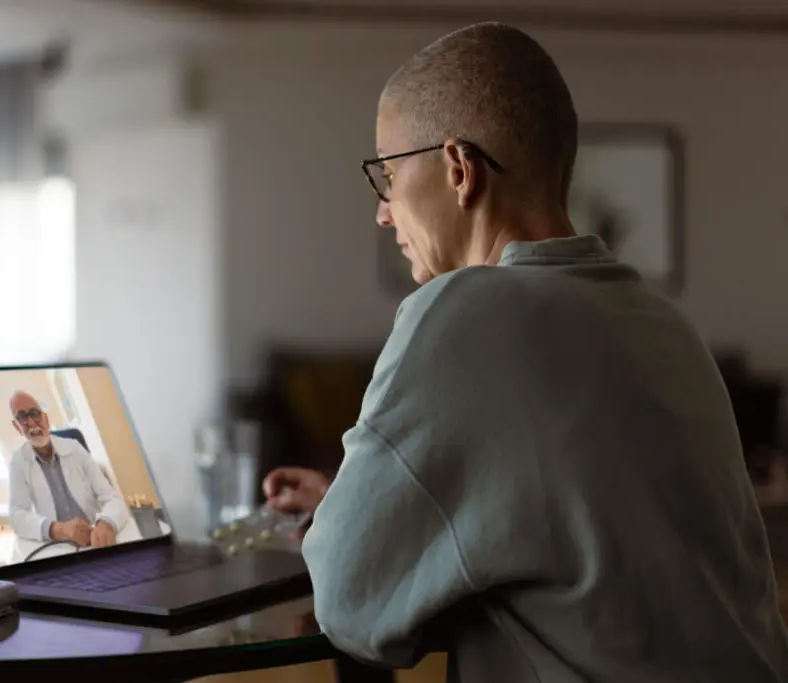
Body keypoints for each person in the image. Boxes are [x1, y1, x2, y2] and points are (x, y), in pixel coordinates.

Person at [264, 22, 788, 683]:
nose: (384, 211)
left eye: (389, 176)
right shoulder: (662, 322)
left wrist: (340, 533)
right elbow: (572, 528)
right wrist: (363, 502)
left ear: (458, 169)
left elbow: (351, 604)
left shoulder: (462, 313)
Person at [7, 390, 129, 551]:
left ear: (46, 419)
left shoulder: (75, 448)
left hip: (95, 537)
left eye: (35, 413)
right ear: (17, 426)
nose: (31, 422)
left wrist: (106, 522)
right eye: (22, 417)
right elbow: (16, 515)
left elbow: (111, 497)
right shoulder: (18, 462)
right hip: (58, 545)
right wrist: (57, 530)